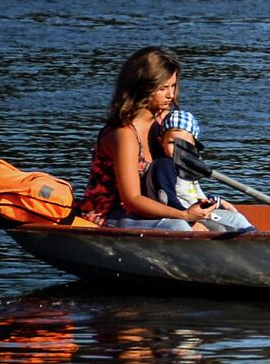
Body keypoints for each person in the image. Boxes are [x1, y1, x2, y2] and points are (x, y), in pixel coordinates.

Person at [76, 47, 214, 232]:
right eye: (163, 88)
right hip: (110, 215)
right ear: (141, 88)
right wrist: (184, 215)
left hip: (155, 208)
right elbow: (132, 201)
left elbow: (184, 179)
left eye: (173, 86)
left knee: (231, 221)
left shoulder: (164, 123)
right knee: (179, 226)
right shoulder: (124, 134)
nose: (170, 95)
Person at [145, 110, 254, 233]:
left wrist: (217, 202)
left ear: (193, 146)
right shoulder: (164, 166)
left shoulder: (186, 167)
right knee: (219, 229)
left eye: (184, 144)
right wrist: (190, 220)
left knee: (237, 219)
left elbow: (193, 195)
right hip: (177, 215)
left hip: (196, 213)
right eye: (172, 143)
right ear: (161, 142)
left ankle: (256, 242)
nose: (177, 149)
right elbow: (166, 199)